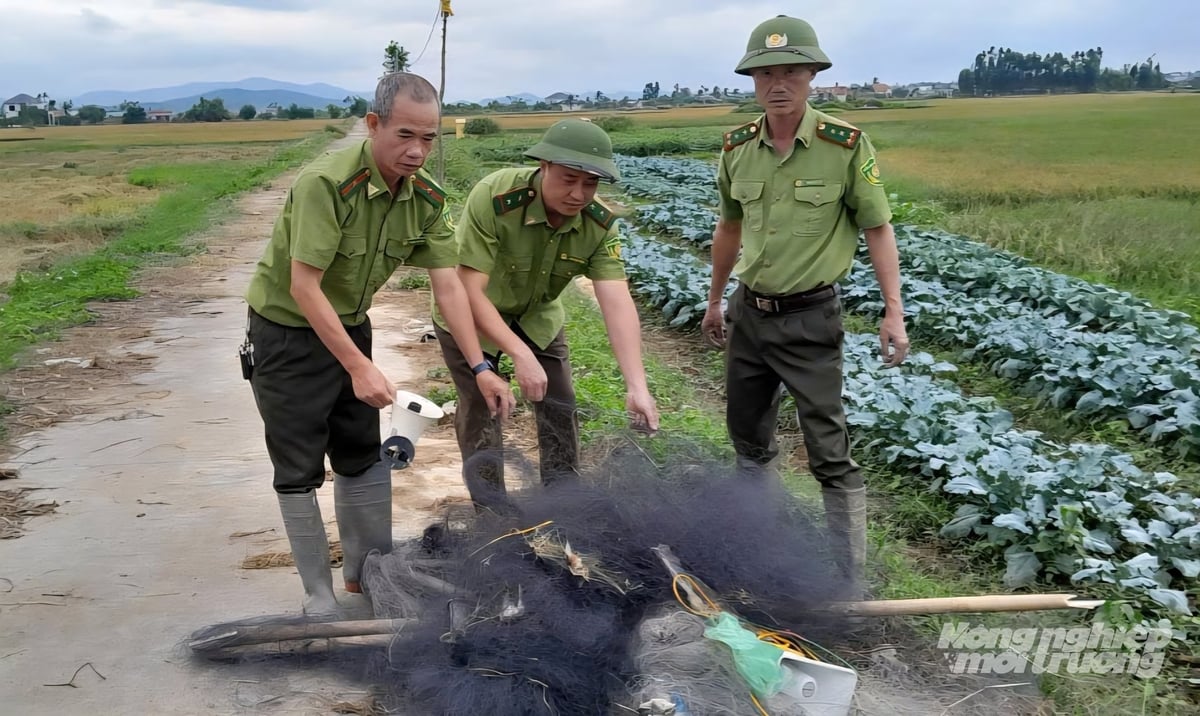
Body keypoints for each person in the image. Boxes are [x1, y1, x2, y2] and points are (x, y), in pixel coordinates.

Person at [242, 72, 514, 618]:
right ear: (373, 125)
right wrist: (358, 367)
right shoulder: (327, 185)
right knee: (298, 464)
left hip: (350, 324)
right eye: (404, 135)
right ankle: (318, 593)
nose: (417, 152)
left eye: (429, 139)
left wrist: (481, 364)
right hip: (286, 333)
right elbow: (303, 285)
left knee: (359, 452)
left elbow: (449, 286)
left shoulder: (426, 199)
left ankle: (367, 578)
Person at [700, 15, 910, 599]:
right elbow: (728, 227)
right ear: (752, 80)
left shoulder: (844, 146)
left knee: (828, 451)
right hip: (749, 315)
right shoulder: (738, 148)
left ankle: (849, 584)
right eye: (765, 72)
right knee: (748, 443)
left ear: (813, 74)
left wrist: (894, 310)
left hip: (810, 319)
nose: (778, 83)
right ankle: (761, 555)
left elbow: (878, 228)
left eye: (791, 70)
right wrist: (716, 301)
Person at [433, 118, 660, 507]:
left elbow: (617, 300)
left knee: (560, 404)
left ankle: (563, 504)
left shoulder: (599, 223)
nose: (579, 194)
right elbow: (469, 289)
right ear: (544, 166)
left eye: (591, 183)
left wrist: (637, 386)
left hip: (537, 316)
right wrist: (517, 354)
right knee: (483, 407)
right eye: (569, 179)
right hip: (471, 314)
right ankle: (492, 512)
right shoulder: (496, 197)